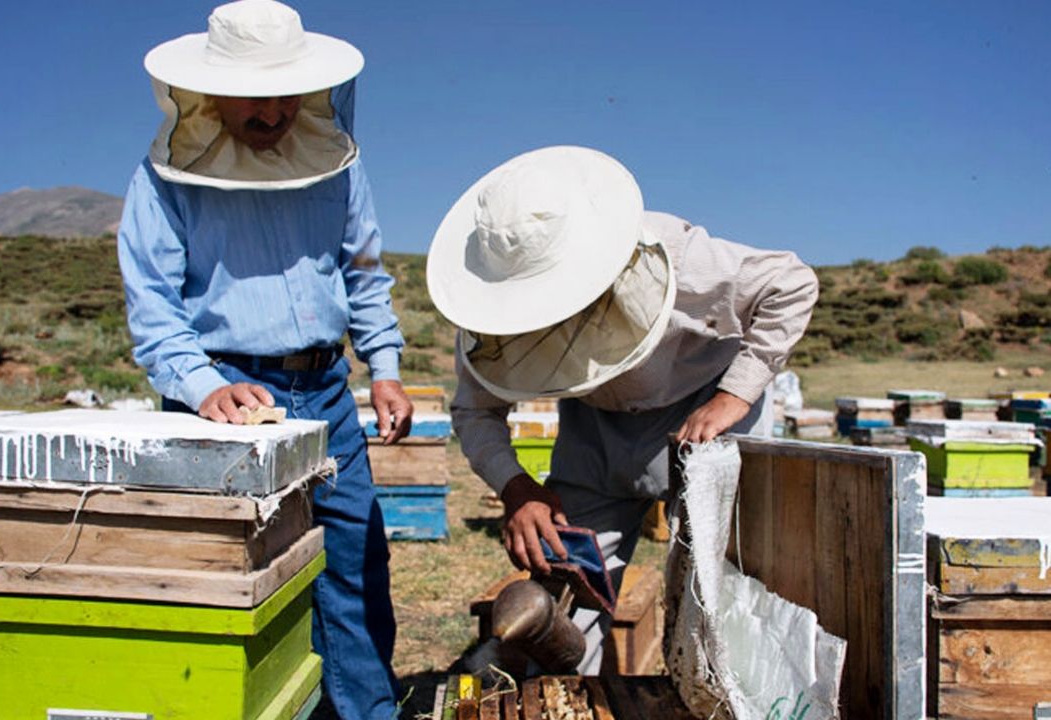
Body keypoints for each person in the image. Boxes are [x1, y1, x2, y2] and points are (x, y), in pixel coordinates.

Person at [116, 2, 412, 717]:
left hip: (330, 394)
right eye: (254, 94)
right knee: (247, 585)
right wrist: (202, 385)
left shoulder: (338, 165)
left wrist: (386, 364)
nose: (274, 111)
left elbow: (365, 267)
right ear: (208, 91)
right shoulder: (164, 179)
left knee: (356, 565)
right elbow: (153, 303)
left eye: (286, 93)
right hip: (227, 404)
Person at [425, 145, 819, 672]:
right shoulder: (485, 309)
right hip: (594, 432)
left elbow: (789, 284)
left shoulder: (673, 251)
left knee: (721, 589)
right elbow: (475, 412)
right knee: (567, 581)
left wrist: (734, 396)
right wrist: (516, 487)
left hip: (703, 415)